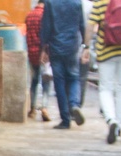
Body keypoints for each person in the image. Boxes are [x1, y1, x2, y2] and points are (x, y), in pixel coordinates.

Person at [82, 0, 121, 144]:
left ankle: (111, 120)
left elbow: (91, 26)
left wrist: (86, 47)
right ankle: (119, 125)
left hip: (106, 50)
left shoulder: (101, 3)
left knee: (105, 88)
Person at [41, 0, 87, 129]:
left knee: (59, 83)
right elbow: (82, 25)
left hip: (56, 47)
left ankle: (65, 120)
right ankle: (74, 105)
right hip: (72, 46)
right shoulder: (77, 3)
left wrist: (44, 47)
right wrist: (85, 45)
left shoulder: (50, 3)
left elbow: (46, 26)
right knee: (73, 78)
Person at [26, 0, 52, 122]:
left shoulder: (29, 15)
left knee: (34, 81)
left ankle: (32, 108)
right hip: (43, 54)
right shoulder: (45, 15)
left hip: (32, 53)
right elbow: (46, 35)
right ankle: (44, 107)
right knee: (46, 82)